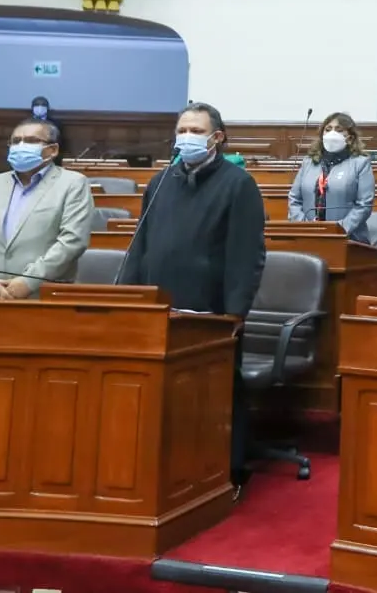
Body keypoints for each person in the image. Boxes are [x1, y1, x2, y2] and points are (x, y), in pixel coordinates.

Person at [117, 102, 267, 486]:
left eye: (195, 131)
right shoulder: (160, 181)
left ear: (217, 138)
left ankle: (228, 473)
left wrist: (235, 313)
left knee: (217, 394)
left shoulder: (239, 184)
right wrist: (126, 297)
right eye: (182, 130)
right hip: (156, 305)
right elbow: (140, 246)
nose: (186, 137)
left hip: (210, 309)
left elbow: (246, 253)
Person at [0, 118, 93, 298]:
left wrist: (28, 281)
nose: (21, 146)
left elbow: (72, 241)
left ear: (53, 150)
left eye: (31, 141)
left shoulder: (73, 183)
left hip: (44, 296)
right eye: (15, 141)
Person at [288, 112, 375, 244]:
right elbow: (294, 199)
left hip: (347, 238)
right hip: (307, 237)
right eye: (328, 129)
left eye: (339, 130)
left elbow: (364, 205)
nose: (332, 133)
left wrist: (337, 230)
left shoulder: (360, 163)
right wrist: (305, 227)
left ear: (350, 138)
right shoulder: (308, 162)